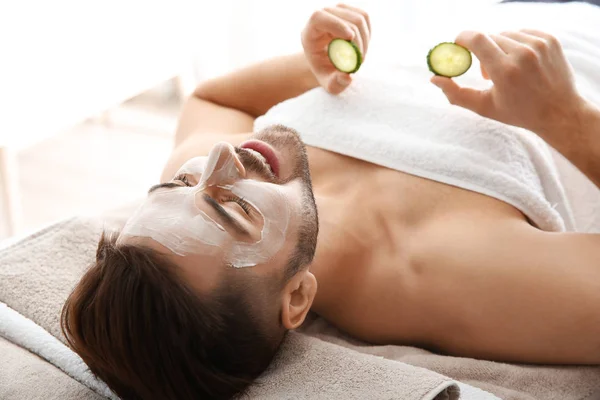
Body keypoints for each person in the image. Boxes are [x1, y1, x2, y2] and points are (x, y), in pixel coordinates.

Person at [60, 3, 600, 399]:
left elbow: (214, 97)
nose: (222, 158)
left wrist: (314, 67)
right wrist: (565, 118)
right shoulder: (444, 273)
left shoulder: (194, 203)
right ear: (296, 299)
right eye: (234, 210)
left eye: (177, 184)